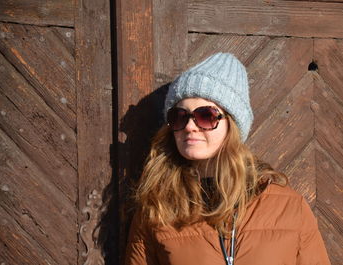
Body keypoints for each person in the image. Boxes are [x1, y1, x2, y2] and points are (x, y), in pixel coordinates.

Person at [125, 52, 331, 265]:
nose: (189, 126)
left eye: (206, 116)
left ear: (232, 125)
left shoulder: (288, 206)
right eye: (179, 116)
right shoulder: (157, 209)